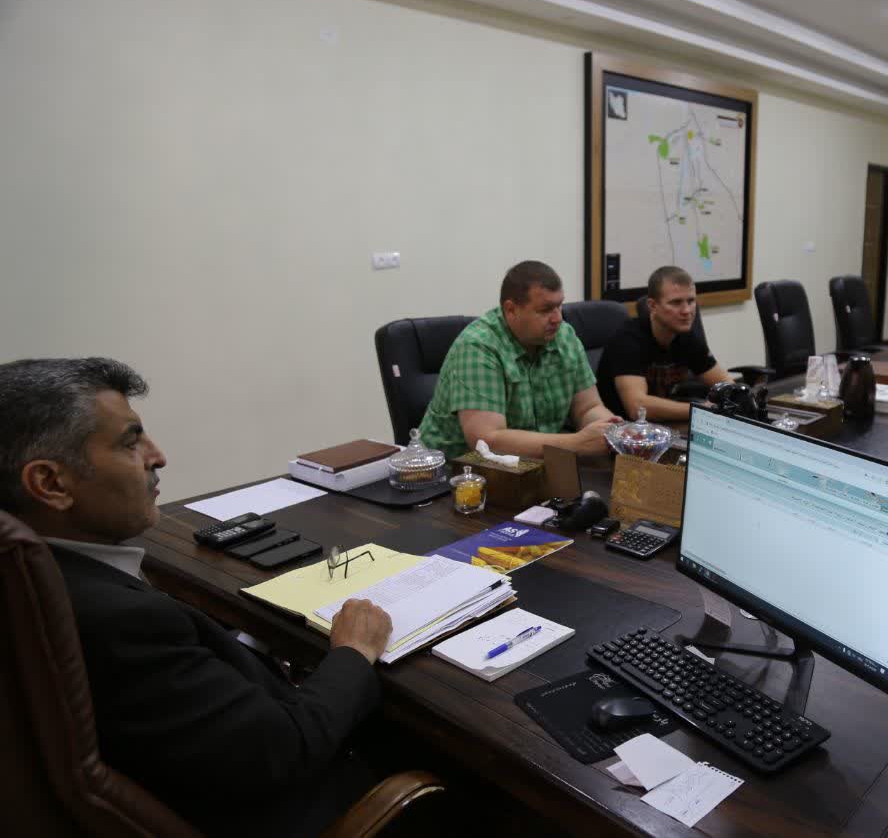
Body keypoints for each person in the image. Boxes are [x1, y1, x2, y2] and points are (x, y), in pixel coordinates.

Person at [0, 357, 395, 836]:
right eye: (130, 441)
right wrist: (353, 651)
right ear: (50, 483)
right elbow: (285, 750)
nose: (157, 456)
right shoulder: (117, 623)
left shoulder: (42, 576)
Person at [418, 260, 619, 458]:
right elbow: (487, 441)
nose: (557, 318)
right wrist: (576, 443)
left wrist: (610, 430)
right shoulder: (478, 346)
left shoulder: (564, 336)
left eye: (559, 306)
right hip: (455, 471)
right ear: (511, 309)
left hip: (536, 466)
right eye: (545, 310)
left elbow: (588, 408)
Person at [597, 266, 733, 421]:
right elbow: (638, 408)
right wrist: (702, 410)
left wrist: (738, 397)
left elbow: (726, 384)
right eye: (676, 303)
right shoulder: (627, 340)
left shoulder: (688, 337)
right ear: (652, 306)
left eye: (691, 301)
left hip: (661, 425)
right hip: (623, 428)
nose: (686, 311)